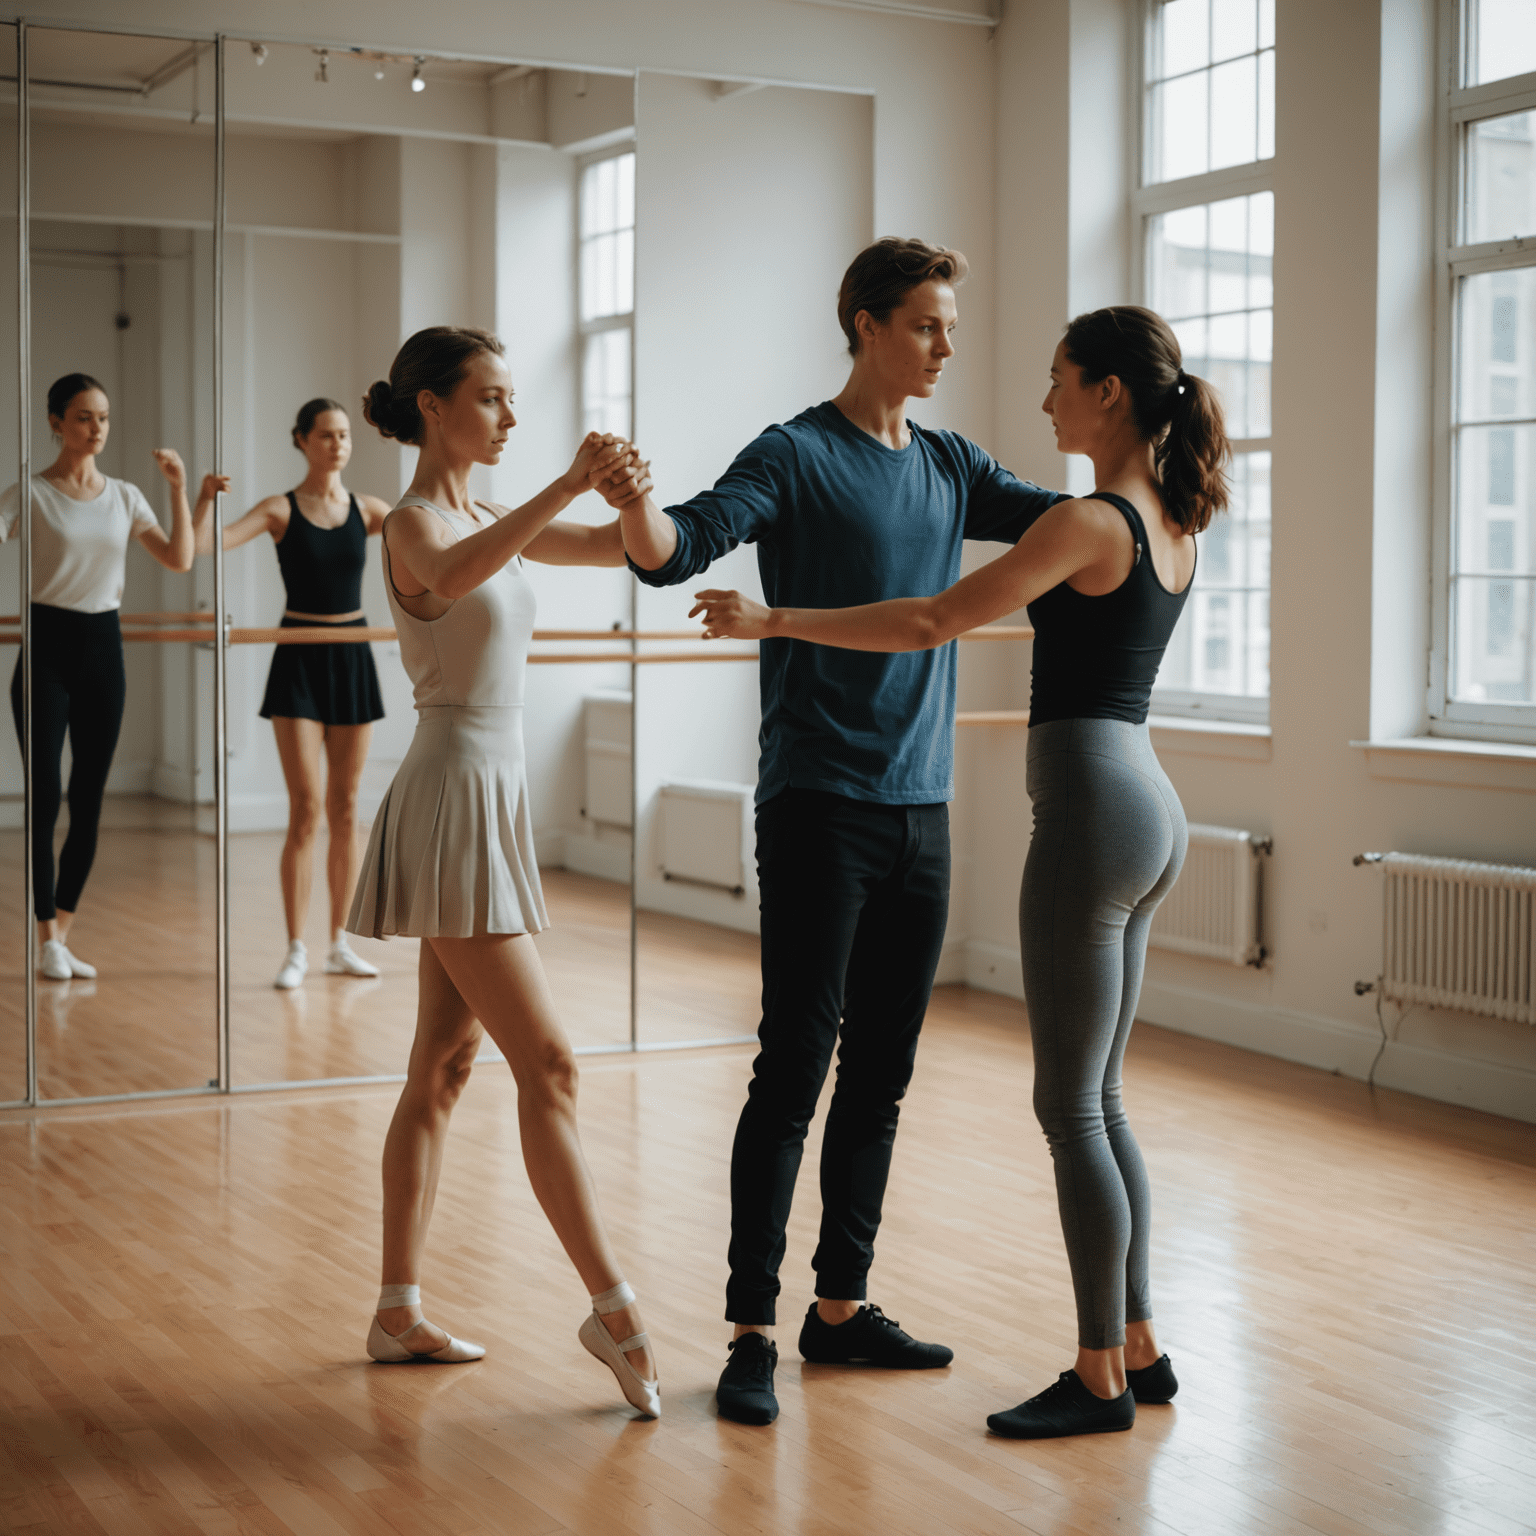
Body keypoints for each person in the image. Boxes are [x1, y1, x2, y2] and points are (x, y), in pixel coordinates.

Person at [688, 305, 1229, 1439]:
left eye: (1059, 380)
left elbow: (935, 616)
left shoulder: (1090, 519)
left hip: (1091, 804)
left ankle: (1095, 1377)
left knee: (1069, 1106)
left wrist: (773, 616)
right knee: (1106, 1099)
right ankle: (1138, 1341)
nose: (1043, 402)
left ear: (1112, 395)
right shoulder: (1171, 517)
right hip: (1150, 803)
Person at [589, 237, 1069, 1428]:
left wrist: (1156, 466)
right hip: (817, 806)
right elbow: (676, 551)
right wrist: (636, 505)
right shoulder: (795, 452)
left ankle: (839, 1311)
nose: (947, 345)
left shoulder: (954, 463)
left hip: (922, 811)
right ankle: (753, 1327)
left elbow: (1070, 525)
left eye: (949, 325)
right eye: (926, 325)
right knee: (794, 1066)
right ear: (864, 324)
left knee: (884, 1077)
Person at [348, 325, 662, 1419]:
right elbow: (452, 573)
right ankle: (613, 1306)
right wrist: (562, 481)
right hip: (448, 798)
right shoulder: (416, 524)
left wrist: (624, 492)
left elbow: (629, 550)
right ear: (432, 406)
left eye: (512, 400)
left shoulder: (490, 519)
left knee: (441, 1068)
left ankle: (396, 1311)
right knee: (553, 1065)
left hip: (492, 799)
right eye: (490, 399)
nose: (509, 419)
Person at [1, 372, 200, 981]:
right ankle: (43, 936)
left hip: (101, 649)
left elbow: (180, 558)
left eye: (104, 418)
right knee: (46, 795)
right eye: (84, 417)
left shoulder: (126, 494)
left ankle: (61, 933)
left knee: (89, 801)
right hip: (45, 648)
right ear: (56, 421)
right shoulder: (30, 494)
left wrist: (179, 489)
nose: (96, 429)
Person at [193, 399, 392, 991]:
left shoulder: (371, 509)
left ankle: (338, 944)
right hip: (298, 662)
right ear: (301, 440)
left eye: (344, 436)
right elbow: (206, 545)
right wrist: (202, 495)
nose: (337, 445)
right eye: (325, 435)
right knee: (306, 808)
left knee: (347, 807)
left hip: (353, 655)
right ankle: (296, 947)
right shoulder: (280, 509)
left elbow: (434, 531)